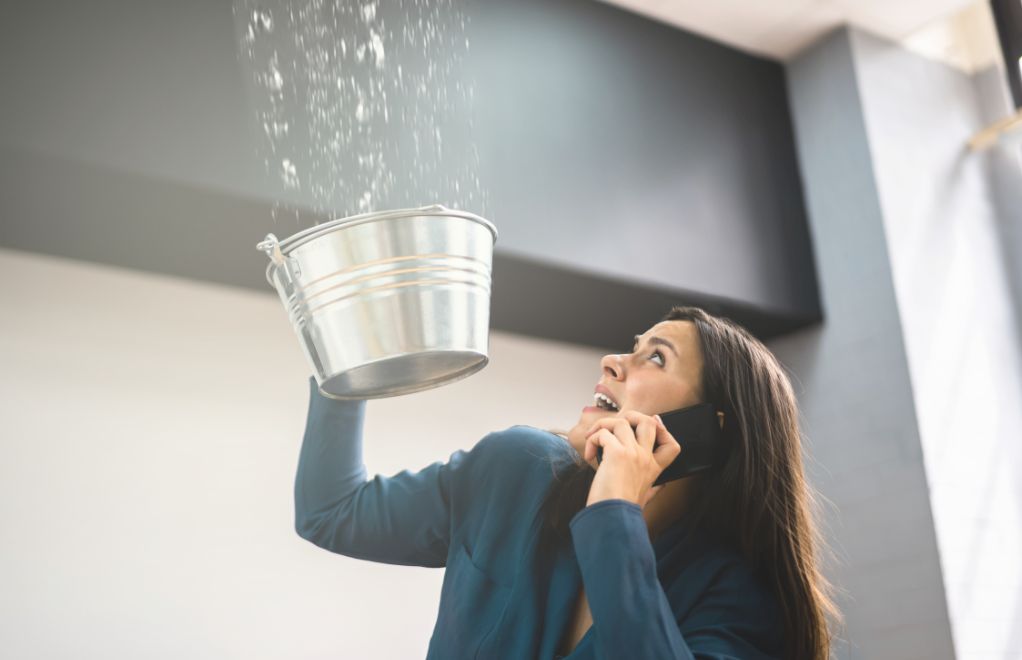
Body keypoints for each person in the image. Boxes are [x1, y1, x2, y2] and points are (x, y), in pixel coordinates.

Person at [294, 305, 843, 659]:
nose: (612, 361)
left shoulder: (736, 604)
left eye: (655, 357)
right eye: (632, 345)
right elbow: (332, 510)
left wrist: (614, 517)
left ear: (709, 431)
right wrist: (342, 360)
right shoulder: (516, 469)